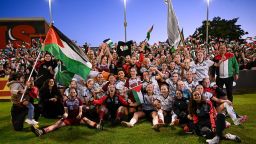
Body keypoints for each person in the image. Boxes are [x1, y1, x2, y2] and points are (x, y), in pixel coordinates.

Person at [31, 88, 102, 136]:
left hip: (77, 118)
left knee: (87, 120)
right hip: (69, 119)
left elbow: (80, 111)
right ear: (69, 93)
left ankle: (98, 126)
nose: (73, 93)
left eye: (74, 92)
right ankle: (41, 131)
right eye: (71, 92)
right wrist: (64, 115)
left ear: (76, 93)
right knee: (57, 124)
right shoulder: (66, 101)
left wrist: (80, 115)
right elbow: (66, 112)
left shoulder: (79, 100)